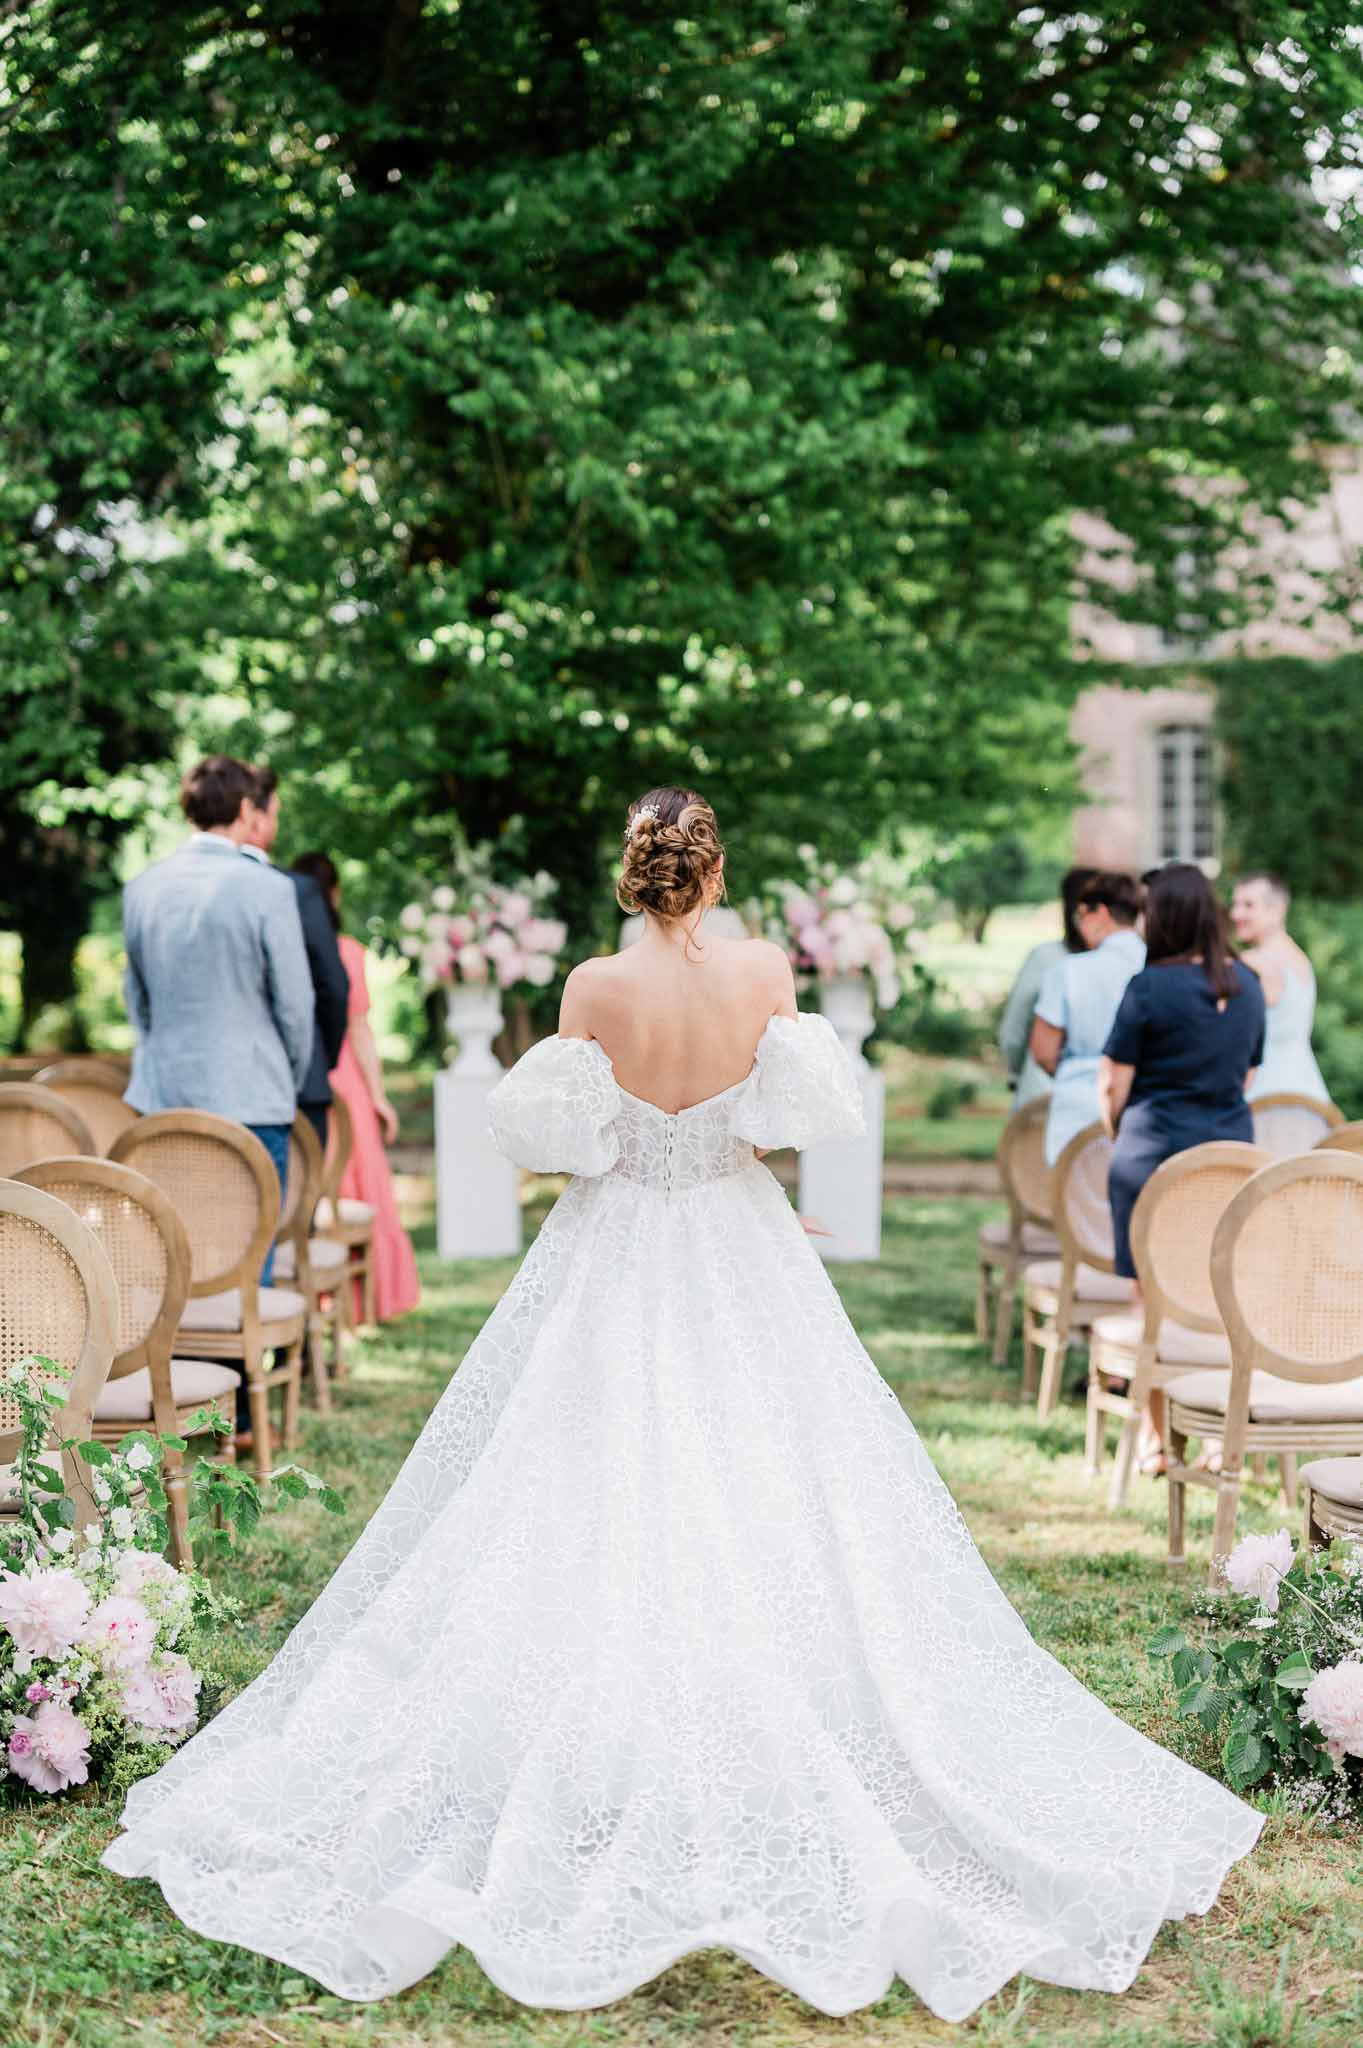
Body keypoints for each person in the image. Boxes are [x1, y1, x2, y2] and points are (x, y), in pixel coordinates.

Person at [103, 789, 1260, 2025]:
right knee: (779, 1469)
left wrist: (657, 1145)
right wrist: (727, 1155)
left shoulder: (592, 988)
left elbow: (572, 1146)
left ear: (631, 874)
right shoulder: (765, 968)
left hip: (613, 1246)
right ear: (712, 873)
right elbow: (790, 1118)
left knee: (577, 1469)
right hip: (738, 1234)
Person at [1098, 866, 1266, 1470]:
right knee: (1226, 1302)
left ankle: (1158, 1438)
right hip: (1229, 1163)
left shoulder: (1147, 987)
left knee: (1156, 1305)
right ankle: (1223, 1434)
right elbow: (1246, 1077)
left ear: (1163, 916)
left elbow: (1113, 1087)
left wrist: (1121, 1127)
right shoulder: (1246, 983)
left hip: (1152, 1161)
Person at [122, 754, 313, 1217]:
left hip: (164, 1100)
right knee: (246, 1261)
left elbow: (137, 998)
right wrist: (285, 1076)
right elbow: (295, 1005)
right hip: (253, 1097)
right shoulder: (268, 888)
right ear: (247, 809)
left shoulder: (142, 888)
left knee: (174, 1256)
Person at [290, 851, 420, 1324]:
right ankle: (362, 1301)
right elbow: (359, 1030)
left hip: (297, 1072)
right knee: (359, 1185)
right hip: (343, 1075)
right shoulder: (346, 950)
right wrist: (378, 1094)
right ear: (336, 894)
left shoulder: (285, 946)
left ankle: (312, 1297)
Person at [242, 769, 351, 1151]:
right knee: (294, 1207)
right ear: (253, 818)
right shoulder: (296, 892)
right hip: (296, 1089)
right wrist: (320, 1057)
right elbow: (333, 988)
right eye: (275, 813)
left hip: (197, 1092)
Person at [1029, 871, 1146, 1164]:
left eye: (1081, 915)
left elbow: (1043, 1051)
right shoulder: (1159, 967)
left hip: (1081, 1099)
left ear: (1101, 913)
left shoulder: (1069, 971)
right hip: (1145, 1101)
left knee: (1075, 1200)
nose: (1079, 925)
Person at [997, 867, 1094, 1107]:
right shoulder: (1125, 962)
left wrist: (1016, 1072)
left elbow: (1014, 1030)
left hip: (1042, 1093)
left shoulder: (1044, 958)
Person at [1229, 871, 1329, 1103]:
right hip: (1308, 1090)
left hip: (1264, 1091)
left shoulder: (1252, 962)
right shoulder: (1302, 960)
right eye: (1235, 904)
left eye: (1248, 905)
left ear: (1277, 910)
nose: (1235, 913)